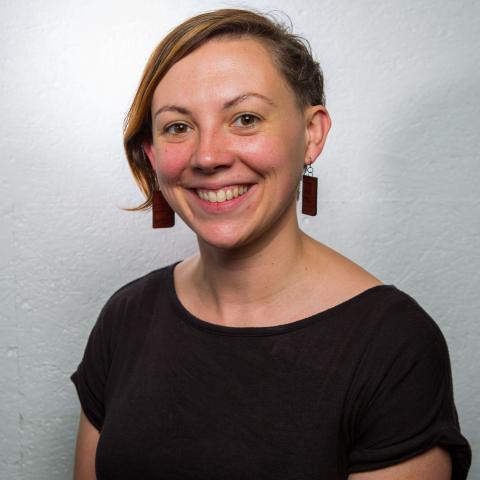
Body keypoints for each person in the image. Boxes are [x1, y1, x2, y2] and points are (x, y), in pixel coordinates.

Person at [71, 8, 471, 480]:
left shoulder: (394, 346)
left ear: (311, 134)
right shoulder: (126, 317)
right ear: (152, 155)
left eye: (245, 118)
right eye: (178, 126)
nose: (208, 156)